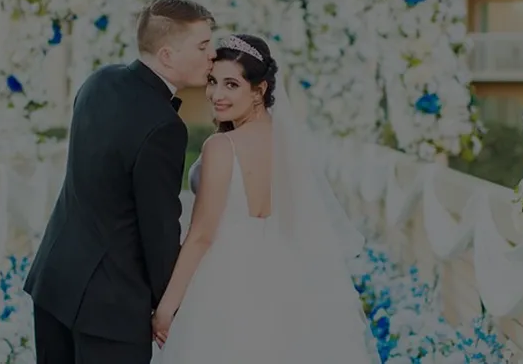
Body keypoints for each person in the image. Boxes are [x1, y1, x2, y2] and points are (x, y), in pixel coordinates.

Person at [150, 34, 380, 363]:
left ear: (259, 90)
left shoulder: (221, 147)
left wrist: (167, 307)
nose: (216, 94)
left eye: (232, 85)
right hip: (288, 283)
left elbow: (201, 236)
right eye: (213, 81)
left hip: (225, 283)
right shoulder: (292, 145)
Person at [23, 0, 216, 364]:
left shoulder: (98, 82)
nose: (212, 55)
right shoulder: (164, 126)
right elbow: (158, 229)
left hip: (54, 281)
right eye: (202, 46)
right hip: (111, 308)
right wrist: (169, 305)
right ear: (167, 55)